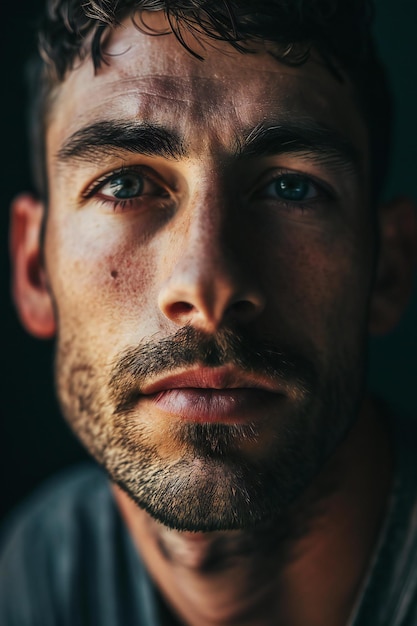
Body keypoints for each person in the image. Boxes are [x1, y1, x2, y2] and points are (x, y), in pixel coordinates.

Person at [1, 0, 417, 624]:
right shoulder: (40, 567)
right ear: (35, 272)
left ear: (387, 269)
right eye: (125, 185)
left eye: (290, 187)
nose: (206, 284)